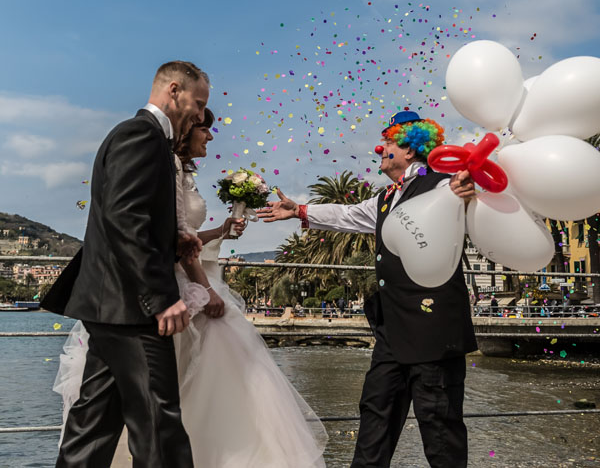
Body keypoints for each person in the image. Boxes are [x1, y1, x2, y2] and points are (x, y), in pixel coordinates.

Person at [54, 108, 328, 467]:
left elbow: (180, 236)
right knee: (161, 406)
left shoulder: (179, 170)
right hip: (166, 293)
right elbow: (163, 240)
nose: (210, 137)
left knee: (124, 407)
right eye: (204, 127)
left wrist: (219, 232)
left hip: (155, 293)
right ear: (188, 129)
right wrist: (206, 290)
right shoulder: (159, 159)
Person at [258, 110, 477, 468]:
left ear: (410, 149)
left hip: (433, 333)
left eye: (388, 142)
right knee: (375, 415)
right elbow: (347, 215)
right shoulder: (385, 198)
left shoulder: (443, 184)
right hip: (391, 330)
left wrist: (464, 192)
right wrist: (298, 210)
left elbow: (467, 194)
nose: (380, 149)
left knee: (440, 428)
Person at [43, 61, 208, 467]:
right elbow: (124, 218)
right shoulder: (142, 135)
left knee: (92, 429)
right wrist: (160, 296)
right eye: (199, 103)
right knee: (159, 428)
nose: (202, 115)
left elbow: (129, 216)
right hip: (133, 310)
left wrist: (174, 238)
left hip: (110, 307)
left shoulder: (141, 137)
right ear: (174, 90)